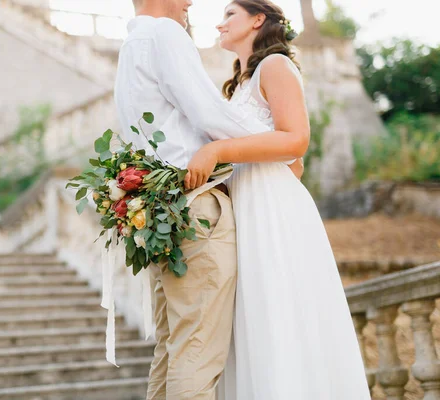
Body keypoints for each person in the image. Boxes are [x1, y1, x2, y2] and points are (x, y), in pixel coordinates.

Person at [114, 0, 303, 399]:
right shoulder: (165, 34)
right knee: (196, 350)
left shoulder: (131, 46)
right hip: (195, 207)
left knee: (171, 349)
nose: (189, 3)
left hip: (159, 210)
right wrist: (282, 147)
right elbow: (208, 113)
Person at [184, 1, 371, 399]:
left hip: (271, 206)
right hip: (246, 202)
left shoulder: (276, 66)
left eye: (229, 15)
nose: (219, 24)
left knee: (278, 307)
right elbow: (290, 158)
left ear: (257, 20)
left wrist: (218, 153)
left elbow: (296, 140)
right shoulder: (239, 82)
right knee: (252, 315)